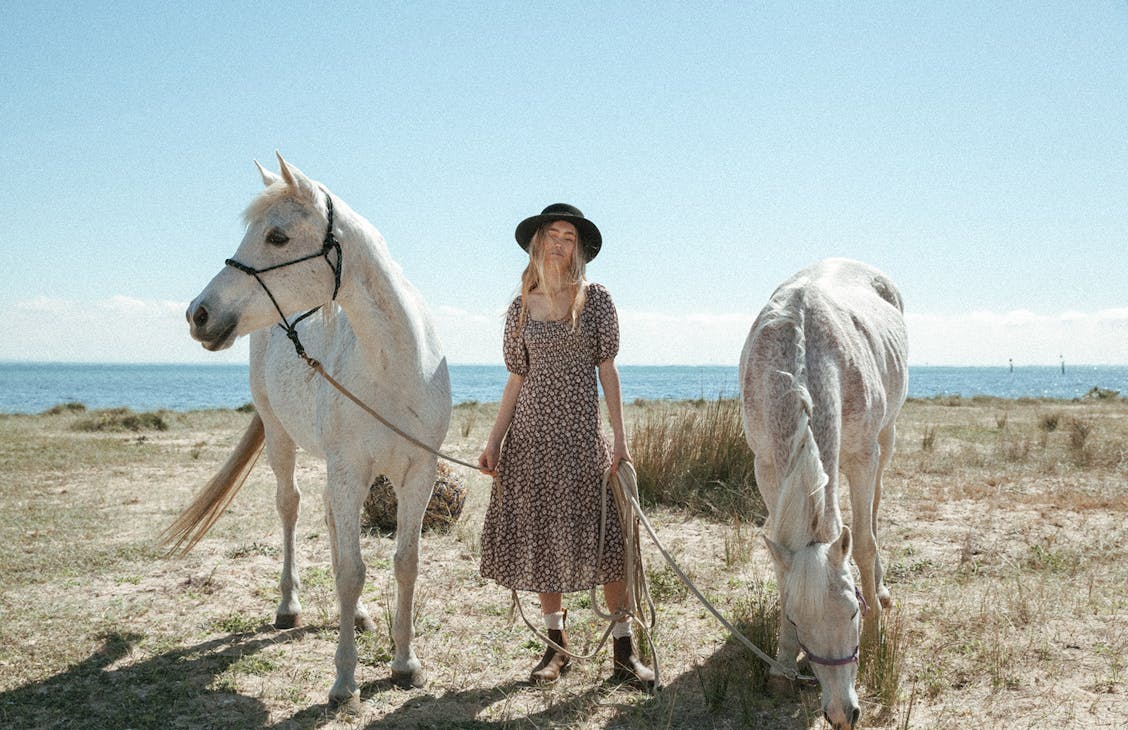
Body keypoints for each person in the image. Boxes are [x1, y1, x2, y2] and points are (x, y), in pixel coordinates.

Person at [478, 203, 654, 688]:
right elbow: (516, 378)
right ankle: (556, 650)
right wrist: (494, 441)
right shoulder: (519, 307)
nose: (560, 243)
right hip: (530, 443)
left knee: (610, 542)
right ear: (537, 242)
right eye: (552, 234)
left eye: (569, 237)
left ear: (578, 248)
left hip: (582, 440)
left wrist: (620, 437)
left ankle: (625, 651)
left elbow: (608, 370)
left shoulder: (595, 300)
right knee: (543, 541)